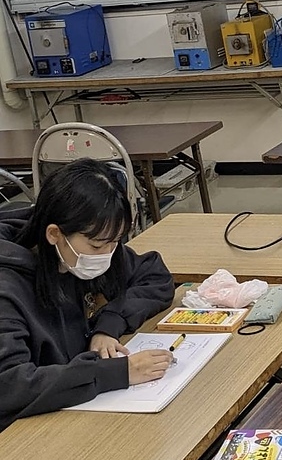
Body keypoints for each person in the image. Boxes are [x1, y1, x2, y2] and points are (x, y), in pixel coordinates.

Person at [0, 158, 176, 431]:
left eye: (115, 243)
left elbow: (154, 276)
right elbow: (10, 385)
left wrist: (108, 324)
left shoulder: (87, 249)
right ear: (54, 234)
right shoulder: (8, 289)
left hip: (79, 411)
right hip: (29, 433)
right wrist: (117, 373)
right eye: (96, 246)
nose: (106, 256)